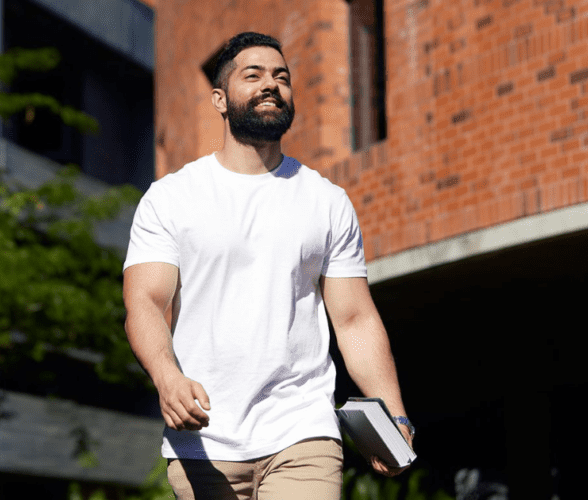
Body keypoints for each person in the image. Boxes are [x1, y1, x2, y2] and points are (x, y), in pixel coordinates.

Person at [122, 32, 413, 500]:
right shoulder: (171, 198)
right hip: (205, 440)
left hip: (303, 431)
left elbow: (354, 318)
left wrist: (394, 413)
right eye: (252, 75)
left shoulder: (326, 201)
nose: (271, 85)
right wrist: (167, 377)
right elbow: (145, 305)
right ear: (219, 98)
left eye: (281, 77)